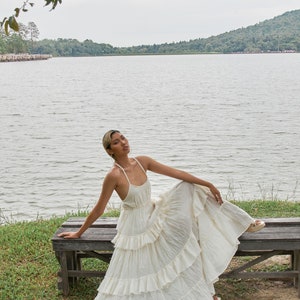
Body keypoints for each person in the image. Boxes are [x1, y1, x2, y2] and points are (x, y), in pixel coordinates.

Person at [59, 130, 265, 300]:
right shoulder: (113, 176)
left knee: (190, 189)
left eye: (123, 138)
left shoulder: (142, 162)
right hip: (136, 225)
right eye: (116, 142)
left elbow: (178, 174)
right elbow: (99, 209)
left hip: (155, 212)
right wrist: (79, 232)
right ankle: (199, 294)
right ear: (109, 150)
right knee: (165, 254)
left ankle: (243, 221)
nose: (123, 143)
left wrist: (207, 183)